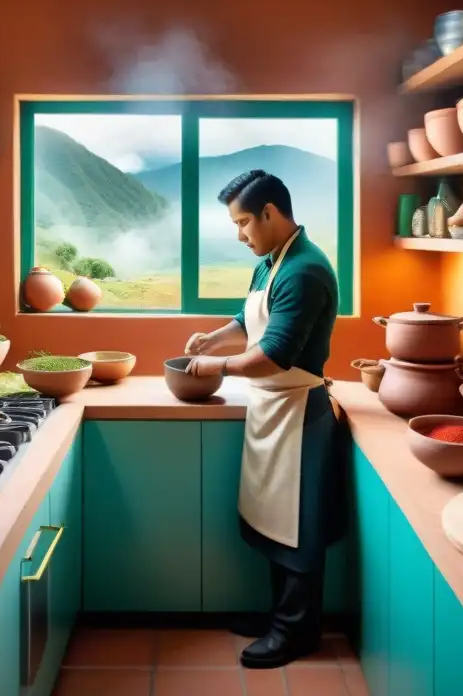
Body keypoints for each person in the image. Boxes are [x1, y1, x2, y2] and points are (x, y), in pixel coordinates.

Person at [185, 169, 347, 669]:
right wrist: (214, 338)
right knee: (273, 523)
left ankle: (296, 634)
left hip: (299, 413)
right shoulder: (273, 259)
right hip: (271, 409)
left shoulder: (304, 270)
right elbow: (247, 320)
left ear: (271, 213)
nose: (240, 235)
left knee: (296, 530)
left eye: (243, 223)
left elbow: (273, 354)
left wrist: (217, 366)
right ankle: (279, 616)